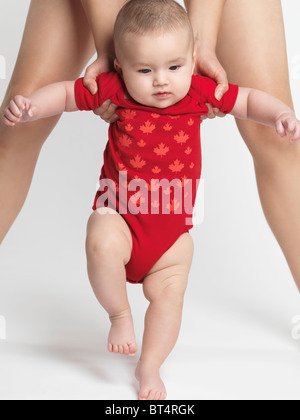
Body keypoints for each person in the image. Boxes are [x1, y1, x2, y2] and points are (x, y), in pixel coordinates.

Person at [3, 0, 300, 401]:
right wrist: (113, 53)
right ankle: (120, 316)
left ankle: (150, 365)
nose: (162, 82)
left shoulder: (194, 87)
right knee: (18, 123)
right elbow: (66, 95)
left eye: (176, 68)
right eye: (144, 71)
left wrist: (202, 45)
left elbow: (247, 102)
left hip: (169, 234)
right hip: (119, 215)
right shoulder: (123, 80)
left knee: (275, 139)